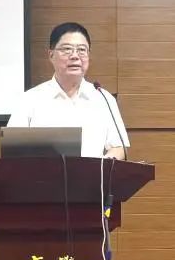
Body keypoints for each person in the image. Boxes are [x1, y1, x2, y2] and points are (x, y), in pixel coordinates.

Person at [7, 22, 129, 160]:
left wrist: (100, 167)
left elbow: (119, 147)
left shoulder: (103, 99)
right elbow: (13, 152)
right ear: (51, 55)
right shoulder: (29, 100)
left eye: (82, 50)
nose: (75, 56)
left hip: (92, 174)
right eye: (67, 49)